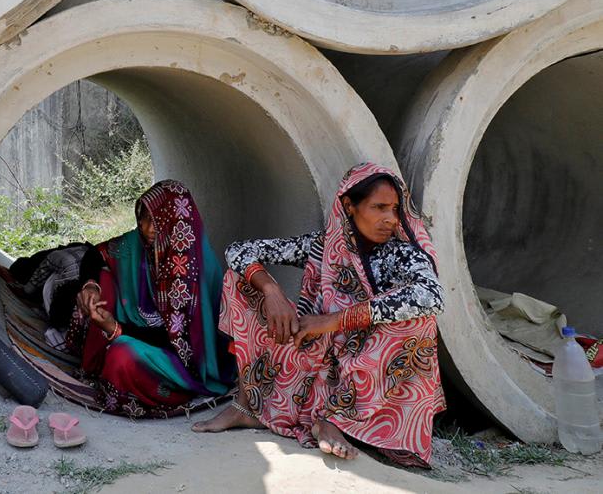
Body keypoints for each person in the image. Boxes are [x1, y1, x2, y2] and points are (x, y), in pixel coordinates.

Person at [191, 163, 445, 468]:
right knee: (238, 281)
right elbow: (239, 250)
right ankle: (246, 407)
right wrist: (271, 290)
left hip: (366, 371)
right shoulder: (322, 246)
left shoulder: (399, 253)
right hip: (310, 361)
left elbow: (431, 295)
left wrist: (335, 320)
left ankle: (334, 419)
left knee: (418, 321)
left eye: (393, 208)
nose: (390, 219)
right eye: (379, 207)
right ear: (349, 206)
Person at [67, 180, 235, 416]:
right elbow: (95, 254)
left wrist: (115, 329)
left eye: (157, 221)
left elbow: (178, 343)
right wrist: (91, 286)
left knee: (122, 355)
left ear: (177, 222)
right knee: (103, 280)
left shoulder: (190, 271)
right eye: (144, 218)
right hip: (130, 331)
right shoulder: (139, 244)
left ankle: (146, 385)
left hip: (177, 357)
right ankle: (94, 365)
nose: (146, 229)